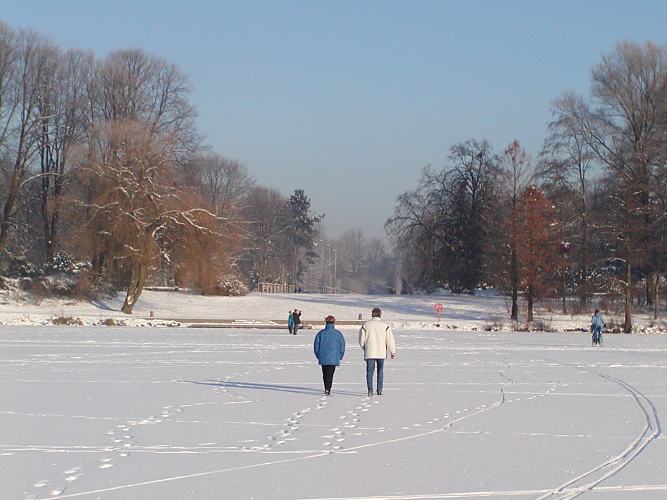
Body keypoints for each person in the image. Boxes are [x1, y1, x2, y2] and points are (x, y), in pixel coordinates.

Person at [359, 307, 396, 397]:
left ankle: (370, 389)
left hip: (370, 352)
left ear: (372, 314)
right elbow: (390, 339)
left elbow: (361, 340)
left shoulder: (366, 325)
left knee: (369, 372)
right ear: (380, 314)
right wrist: (392, 351)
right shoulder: (384, 325)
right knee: (380, 371)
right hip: (381, 352)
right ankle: (379, 390)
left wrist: (365, 348)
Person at [313, 315, 346, 396]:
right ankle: (328, 388)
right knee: (330, 374)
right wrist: (340, 355)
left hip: (323, 356)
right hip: (334, 357)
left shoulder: (321, 333)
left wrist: (318, 355)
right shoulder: (338, 334)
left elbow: (316, 345)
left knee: (325, 374)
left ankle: (326, 388)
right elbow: (342, 346)